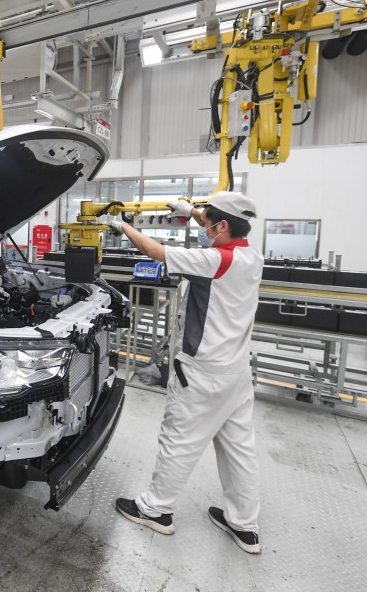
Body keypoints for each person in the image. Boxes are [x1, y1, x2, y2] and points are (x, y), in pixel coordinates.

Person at [109, 192, 264, 555]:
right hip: (237, 372)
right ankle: (244, 524)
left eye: (209, 221)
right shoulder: (250, 256)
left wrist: (123, 226)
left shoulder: (216, 260)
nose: (204, 226)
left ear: (223, 226)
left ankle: (155, 510)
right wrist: (191, 212)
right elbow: (217, 227)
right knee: (239, 449)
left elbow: (156, 252)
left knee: (179, 441)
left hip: (202, 372)